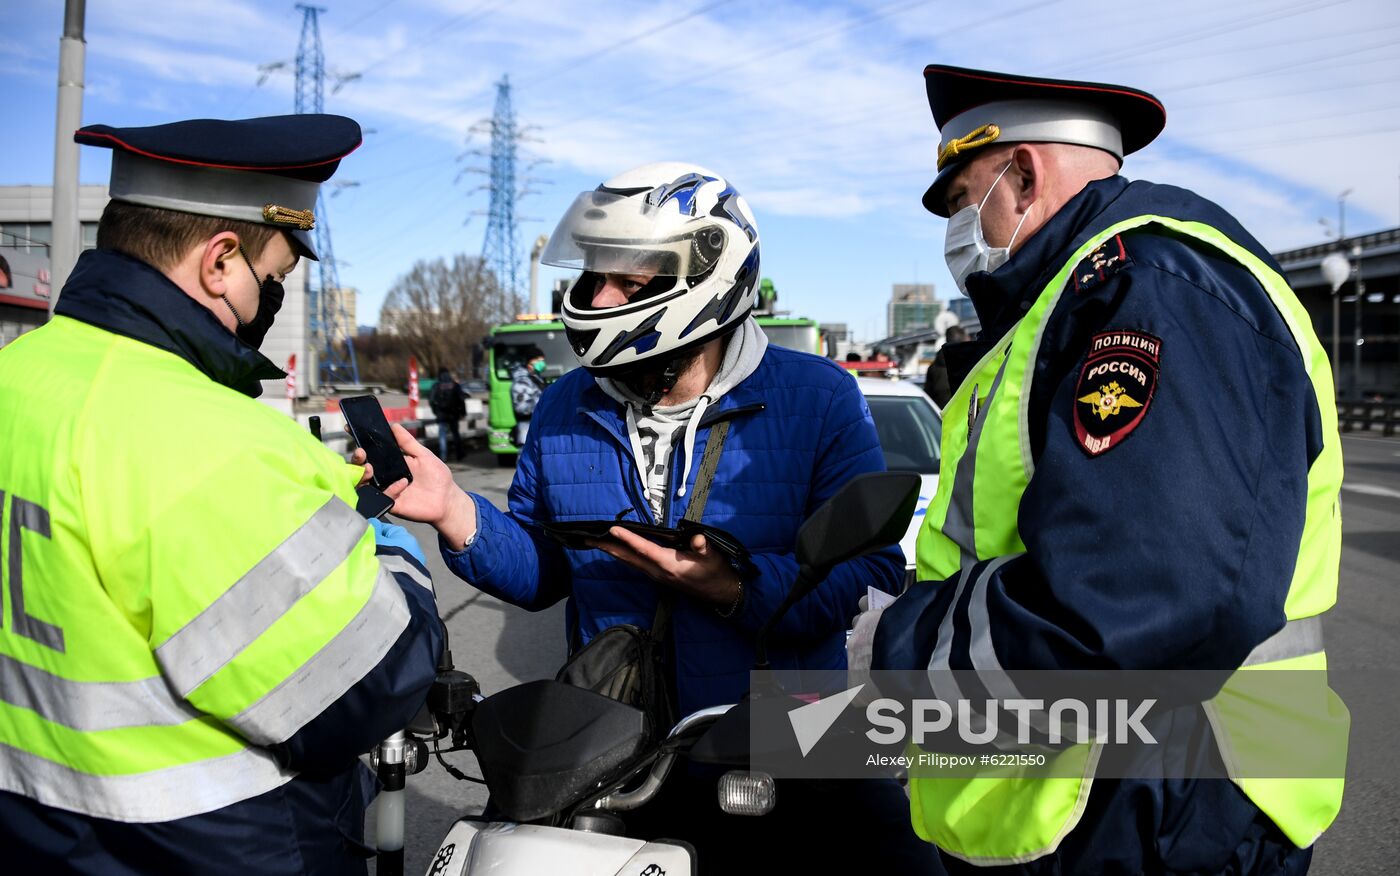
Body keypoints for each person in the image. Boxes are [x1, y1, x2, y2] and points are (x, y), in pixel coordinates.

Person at [380, 163, 939, 873]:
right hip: (613, 733)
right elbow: (546, 570)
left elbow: (868, 569)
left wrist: (734, 588)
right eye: (592, 275)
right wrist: (458, 514)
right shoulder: (565, 404)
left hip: (789, 728)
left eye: (631, 278)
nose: (599, 295)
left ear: (709, 274)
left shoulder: (821, 397)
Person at [856, 65, 1346, 874]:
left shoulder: (1147, 289)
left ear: (1021, 174)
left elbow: (1141, 594)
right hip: (1098, 797)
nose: (954, 227)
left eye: (959, 197)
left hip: (1157, 802)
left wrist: (898, 648)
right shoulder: (1071, 301)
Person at [0, 115, 444, 876]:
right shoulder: (214, 440)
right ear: (220, 262)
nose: (272, 294)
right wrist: (386, 547)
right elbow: (368, 685)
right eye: (273, 275)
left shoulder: (24, 374)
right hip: (210, 847)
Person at [508, 345, 546, 446]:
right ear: (530, 362)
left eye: (543, 360)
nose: (542, 363)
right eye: (538, 360)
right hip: (527, 435)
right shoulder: (522, 381)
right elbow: (521, 408)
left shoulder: (535, 379)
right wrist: (546, 404)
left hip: (537, 433)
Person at [922, 323, 966, 407]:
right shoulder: (967, 363)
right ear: (963, 340)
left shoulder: (934, 367)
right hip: (963, 416)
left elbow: (928, 395)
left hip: (939, 415)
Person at [430, 367, 467, 460]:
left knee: (442, 436)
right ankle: (459, 454)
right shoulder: (455, 385)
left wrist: (435, 411)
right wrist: (463, 412)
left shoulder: (436, 386)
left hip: (441, 414)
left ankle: (443, 457)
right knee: (456, 434)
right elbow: (461, 400)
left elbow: (431, 400)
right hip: (454, 414)